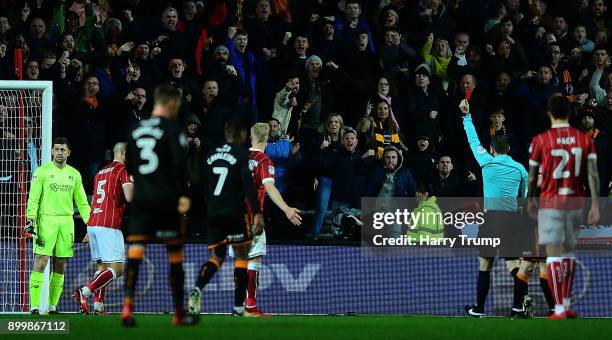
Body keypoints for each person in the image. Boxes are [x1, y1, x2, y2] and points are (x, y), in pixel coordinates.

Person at [121, 85, 197, 327]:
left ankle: (127, 309)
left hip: (141, 199)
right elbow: (178, 166)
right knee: (175, 257)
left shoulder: (133, 129)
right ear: (172, 104)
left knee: (135, 254)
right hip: (166, 201)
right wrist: (183, 196)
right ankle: (177, 313)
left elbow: (130, 167)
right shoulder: (173, 129)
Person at [527, 94, 600, 319]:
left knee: (554, 254)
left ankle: (558, 308)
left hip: (550, 203)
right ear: (569, 113)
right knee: (569, 252)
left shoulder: (540, 140)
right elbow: (593, 174)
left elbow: (532, 177)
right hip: (576, 202)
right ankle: (566, 303)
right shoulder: (584, 139)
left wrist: (530, 198)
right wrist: (596, 204)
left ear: (549, 114)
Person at [459, 99, 531, 318]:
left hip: (491, 221)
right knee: (513, 264)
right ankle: (518, 306)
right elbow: (525, 197)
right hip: (511, 220)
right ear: (508, 149)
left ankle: (479, 309)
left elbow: (472, 140)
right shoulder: (520, 169)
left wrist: (466, 116)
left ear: (491, 149)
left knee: (485, 264)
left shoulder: (486, 161)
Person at [188, 119, 264, 317]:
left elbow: (202, 183)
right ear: (241, 135)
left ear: (226, 134)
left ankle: (197, 288)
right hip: (235, 212)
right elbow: (249, 187)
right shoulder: (241, 155)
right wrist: (257, 213)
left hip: (213, 212)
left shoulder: (211, 154)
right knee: (241, 257)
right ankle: (239, 307)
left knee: (217, 258)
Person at [24, 137, 91, 314]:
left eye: (63, 149)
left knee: (60, 264)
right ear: (52, 151)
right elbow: (33, 198)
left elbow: (82, 203)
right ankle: (34, 306)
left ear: (68, 152)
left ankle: (52, 306)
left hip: (66, 222)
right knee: (40, 262)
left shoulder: (74, 174)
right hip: (46, 220)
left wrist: (90, 225)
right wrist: (30, 220)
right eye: (56, 149)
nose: (59, 152)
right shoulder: (42, 172)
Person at [243, 123, 302, 316]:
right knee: (253, 262)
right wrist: (286, 209)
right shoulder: (264, 160)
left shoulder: (238, 158)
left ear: (251, 137)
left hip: (232, 217)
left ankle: (239, 306)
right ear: (267, 139)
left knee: (238, 262)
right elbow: (270, 188)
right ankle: (250, 306)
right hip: (253, 218)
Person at [73, 143, 133, 315]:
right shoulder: (123, 170)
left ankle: (98, 307)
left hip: (94, 224)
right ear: (122, 153)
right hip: (109, 224)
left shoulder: (100, 173)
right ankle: (84, 291)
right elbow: (129, 196)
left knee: (102, 267)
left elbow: (95, 201)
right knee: (118, 268)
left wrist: (88, 228)